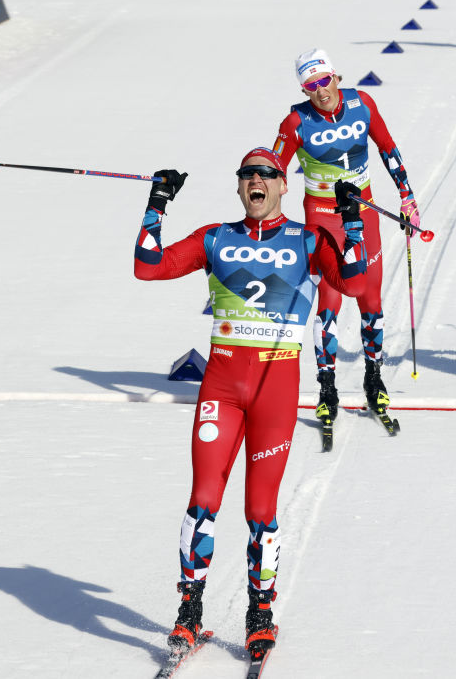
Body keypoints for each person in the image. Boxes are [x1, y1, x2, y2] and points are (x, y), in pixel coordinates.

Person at [133, 148, 368, 656]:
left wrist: (352, 223)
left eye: (266, 174)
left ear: (283, 185)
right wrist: (156, 204)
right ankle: (189, 613)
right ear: (240, 188)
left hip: (274, 389)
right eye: (247, 175)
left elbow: (354, 282)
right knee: (203, 503)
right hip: (222, 385)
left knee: (260, 509)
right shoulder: (216, 237)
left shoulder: (308, 239)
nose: (256, 180)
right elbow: (147, 268)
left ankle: (259, 613)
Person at [272, 48, 419, 425]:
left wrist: (407, 197)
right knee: (330, 300)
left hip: (365, 211)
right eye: (310, 85)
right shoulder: (295, 122)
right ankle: (326, 386)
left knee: (370, 295)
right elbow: (275, 171)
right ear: (304, 89)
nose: (320, 91)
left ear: (336, 76)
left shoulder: (362, 103)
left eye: (324, 80)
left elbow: (387, 147)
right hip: (321, 217)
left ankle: (374, 377)